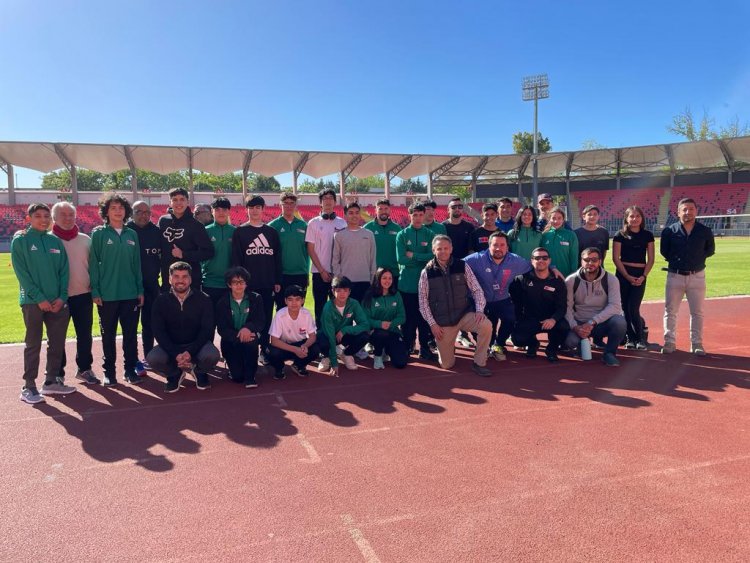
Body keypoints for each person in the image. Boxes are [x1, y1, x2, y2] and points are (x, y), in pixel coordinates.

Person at [12, 203, 76, 404]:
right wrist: (39, 298)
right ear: (29, 219)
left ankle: (50, 382)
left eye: (46, 216)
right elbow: (22, 273)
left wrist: (61, 297)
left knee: (57, 344)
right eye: (38, 216)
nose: (43, 219)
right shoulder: (20, 240)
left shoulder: (54, 241)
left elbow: (64, 271)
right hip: (33, 303)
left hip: (57, 302)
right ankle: (28, 386)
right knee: (33, 344)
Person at [90, 193, 144, 386]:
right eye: (113, 208)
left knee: (130, 336)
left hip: (130, 294)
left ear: (126, 211)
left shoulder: (132, 234)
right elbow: (93, 265)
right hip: (108, 295)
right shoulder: (98, 234)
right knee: (108, 336)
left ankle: (130, 370)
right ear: (106, 211)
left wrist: (140, 289)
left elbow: (136, 263)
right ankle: (109, 373)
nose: (118, 211)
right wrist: (95, 291)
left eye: (121, 207)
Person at [418, 235, 492, 376]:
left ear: (451, 249)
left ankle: (479, 363)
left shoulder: (462, 266)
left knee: (486, 325)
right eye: (439, 248)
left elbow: (476, 289)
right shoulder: (426, 272)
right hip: (443, 322)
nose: (443, 251)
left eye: (446, 248)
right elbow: (423, 303)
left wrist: (479, 310)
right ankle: (448, 348)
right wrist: (433, 324)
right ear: (433, 250)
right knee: (447, 365)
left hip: (463, 315)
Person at [148, 262, 219, 393]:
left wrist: (190, 352)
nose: (180, 280)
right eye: (176, 276)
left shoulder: (204, 299)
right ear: (169, 279)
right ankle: (174, 374)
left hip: (196, 345)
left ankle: (199, 372)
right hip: (172, 346)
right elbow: (159, 332)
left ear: (190, 279)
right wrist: (175, 354)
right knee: (153, 358)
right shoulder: (160, 301)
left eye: (184, 276)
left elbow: (206, 330)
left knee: (212, 354)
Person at [51, 202, 99, 385]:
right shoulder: (48, 240)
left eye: (71, 214)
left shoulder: (86, 239)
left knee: (85, 334)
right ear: (54, 217)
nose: (68, 217)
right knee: (57, 337)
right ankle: (57, 373)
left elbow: (94, 268)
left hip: (83, 294)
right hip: (58, 297)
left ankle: (85, 369)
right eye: (63, 214)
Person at [660, 198, 715, 355]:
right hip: (675, 276)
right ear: (678, 212)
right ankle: (669, 342)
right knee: (670, 311)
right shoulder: (669, 231)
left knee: (697, 312)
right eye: (684, 209)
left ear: (696, 211)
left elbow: (709, 250)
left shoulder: (705, 231)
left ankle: (696, 343)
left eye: (691, 209)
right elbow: (665, 251)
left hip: (697, 276)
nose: (688, 212)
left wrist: (694, 261)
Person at [465, 231, 531, 361]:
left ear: (507, 247)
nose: (498, 248)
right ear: (489, 246)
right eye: (495, 245)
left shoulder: (515, 260)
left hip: (502, 298)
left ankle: (498, 344)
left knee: (511, 318)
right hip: (480, 300)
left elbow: (533, 265)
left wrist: (552, 267)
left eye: (502, 245)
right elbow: (456, 265)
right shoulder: (476, 259)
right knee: (477, 323)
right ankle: (486, 344)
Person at [231, 194, 282, 355]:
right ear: (246, 210)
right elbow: (236, 260)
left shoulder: (271, 232)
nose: (254, 211)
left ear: (263, 209)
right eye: (251, 207)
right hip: (248, 285)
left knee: (267, 316)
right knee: (247, 317)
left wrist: (277, 280)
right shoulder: (240, 232)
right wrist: (238, 283)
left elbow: (277, 258)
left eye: (258, 207)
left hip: (267, 282)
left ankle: (264, 348)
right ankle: (246, 346)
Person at [564, 247, 626, 367]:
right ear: (581, 261)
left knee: (619, 322)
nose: (590, 263)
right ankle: (580, 346)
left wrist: (592, 322)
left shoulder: (611, 280)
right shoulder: (571, 281)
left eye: (594, 260)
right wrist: (575, 327)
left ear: (600, 261)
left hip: (599, 323)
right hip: (579, 324)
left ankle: (609, 353)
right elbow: (567, 308)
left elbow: (615, 307)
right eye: (586, 260)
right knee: (570, 342)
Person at [509, 247, 569, 362]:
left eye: (544, 258)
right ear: (532, 261)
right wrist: (519, 320)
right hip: (530, 319)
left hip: (550, 320)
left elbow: (562, 307)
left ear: (549, 261)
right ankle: (533, 343)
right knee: (517, 339)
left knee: (564, 328)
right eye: (537, 258)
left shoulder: (558, 281)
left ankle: (551, 349)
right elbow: (515, 302)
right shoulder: (522, 279)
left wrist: (553, 319)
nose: (541, 260)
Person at [396, 202, 436, 360]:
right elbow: (401, 259)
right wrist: (421, 258)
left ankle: (424, 348)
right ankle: (407, 346)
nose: (418, 218)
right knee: (407, 319)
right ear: (409, 215)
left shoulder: (430, 234)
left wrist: (414, 255)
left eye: (421, 215)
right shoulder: (402, 234)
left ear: (424, 215)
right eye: (415, 215)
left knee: (424, 319)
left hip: (425, 284)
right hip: (406, 284)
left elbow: (433, 257)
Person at [612, 205, 654, 350]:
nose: (634, 219)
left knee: (634, 308)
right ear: (626, 218)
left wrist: (643, 276)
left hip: (640, 275)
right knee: (625, 307)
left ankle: (640, 338)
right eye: (631, 216)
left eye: (637, 216)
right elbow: (616, 258)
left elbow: (651, 259)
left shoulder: (648, 235)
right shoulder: (619, 235)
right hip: (623, 274)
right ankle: (629, 337)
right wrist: (627, 276)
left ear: (642, 218)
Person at [216, 267, 265, 388]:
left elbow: (260, 321)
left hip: (250, 338)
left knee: (251, 342)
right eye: (235, 282)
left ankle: (250, 377)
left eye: (242, 282)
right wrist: (239, 336)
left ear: (246, 283)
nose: (239, 285)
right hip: (231, 341)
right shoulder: (222, 302)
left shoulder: (256, 298)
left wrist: (248, 328)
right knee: (237, 377)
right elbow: (222, 329)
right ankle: (232, 364)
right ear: (229, 284)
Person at [128, 200, 162, 376]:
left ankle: (149, 356)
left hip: (151, 286)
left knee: (150, 324)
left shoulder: (157, 232)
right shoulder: (125, 231)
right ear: (132, 213)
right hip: (129, 287)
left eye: (147, 212)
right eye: (139, 211)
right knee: (130, 327)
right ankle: (133, 361)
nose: (143, 215)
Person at [158, 187, 214, 291]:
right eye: (175, 200)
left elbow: (209, 252)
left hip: (190, 281)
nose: (178, 203)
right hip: (168, 279)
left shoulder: (196, 225)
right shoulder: (163, 221)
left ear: (187, 202)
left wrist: (183, 254)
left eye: (182, 199)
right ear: (170, 203)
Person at [306, 188, 347, 325]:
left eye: (331, 198)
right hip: (319, 273)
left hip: (338, 273)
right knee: (320, 308)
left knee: (339, 308)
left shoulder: (342, 223)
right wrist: (322, 271)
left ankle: (339, 340)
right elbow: (310, 249)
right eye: (325, 198)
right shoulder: (313, 223)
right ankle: (320, 339)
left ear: (335, 202)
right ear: (320, 203)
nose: (328, 201)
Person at [317, 276, 370, 376]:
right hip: (329, 336)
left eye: (345, 290)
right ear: (333, 291)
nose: (342, 294)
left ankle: (346, 354)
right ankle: (327, 356)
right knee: (320, 338)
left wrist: (346, 329)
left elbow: (365, 325)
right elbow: (331, 335)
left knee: (364, 335)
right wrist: (334, 363)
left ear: (349, 292)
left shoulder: (354, 304)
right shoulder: (328, 307)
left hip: (344, 335)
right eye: (339, 290)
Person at [267, 285, 320, 379]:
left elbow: (312, 336)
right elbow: (274, 340)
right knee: (272, 352)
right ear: (285, 301)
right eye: (290, 300)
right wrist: (295, 349)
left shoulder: (306, 314)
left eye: (297, 299)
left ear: (303, 301)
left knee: (315, 349)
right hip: (285, 346)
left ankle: (299, 365)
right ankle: (279, 368)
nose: (294, 303)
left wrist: (305, 346)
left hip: (300, 344)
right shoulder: (280, 315)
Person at [269, 192, 309, 310]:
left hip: (300, 274)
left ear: (296, 205)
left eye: (292, 203)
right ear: (280, 205)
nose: (289, 206)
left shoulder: (303, 225)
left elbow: (308, 251)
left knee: (299, 308)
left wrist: (306, 272)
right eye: (285, 203)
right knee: (281, 308)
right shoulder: (273, 226)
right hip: (281, 275)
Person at [361, 267, 408, 370]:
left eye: (390, 278)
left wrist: (391, 324)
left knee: (401, 363)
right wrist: (379, 324)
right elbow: (364, 319)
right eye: (384, 278)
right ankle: (377, 356)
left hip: (392, 331)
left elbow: (402, 317)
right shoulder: (370, 296)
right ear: (378, 279)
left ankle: (386, 350)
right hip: (375, 332)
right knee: (381, 333)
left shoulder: (396, 294)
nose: (387, 281)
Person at [332, 201, 377, 303]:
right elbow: (335, 261)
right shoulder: (339, 235)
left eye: (357, 212)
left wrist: (372, 280)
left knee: (363, 316)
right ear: (345, 215)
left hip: (365, 281)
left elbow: (372, 259)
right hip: (346, 283)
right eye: (351, 213)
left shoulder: (369, 235)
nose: (354, 215)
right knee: (347, 316)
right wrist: (340, 280)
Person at [202, 197, 235, 308]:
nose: (221, 213)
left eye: (224, 209)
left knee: (225, 321)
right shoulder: (205, 231)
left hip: (229, 284)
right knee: (209, 320)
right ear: (212, 211)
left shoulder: (235, 232)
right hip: (208, 282)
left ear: (229, 211)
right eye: (217, 209)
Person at [363, 198, 401, 288]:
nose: (383, 211)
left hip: (393, 273)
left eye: (386, 208)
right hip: (374, 274)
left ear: (390, 210)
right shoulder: (367, 228)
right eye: (380, 209)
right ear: (375, 210)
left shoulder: (397, 228)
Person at [541, 206, 579, 277]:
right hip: (546, 276)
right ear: (549, 219)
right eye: (553, 218)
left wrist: (573, 276)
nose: (556, 221)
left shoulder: (571, 235)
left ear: (563, 219)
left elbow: (574, 258)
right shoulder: (544, 235)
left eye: (559, 218)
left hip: (565, 276)